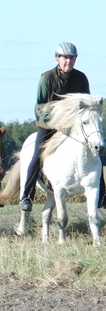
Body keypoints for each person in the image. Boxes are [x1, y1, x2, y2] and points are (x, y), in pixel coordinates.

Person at [19, 42, 103, 211]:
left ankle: (102, 196)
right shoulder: (47, 77)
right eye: (65, 58)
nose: (68, 62)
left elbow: (85, 105)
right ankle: (27, 196)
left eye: (72, 58)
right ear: (57, 59)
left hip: (74, 126)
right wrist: (54, 122)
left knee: (99, 152)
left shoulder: (81, 78)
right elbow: (39, 106)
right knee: (36, 155)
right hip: (49, 124)